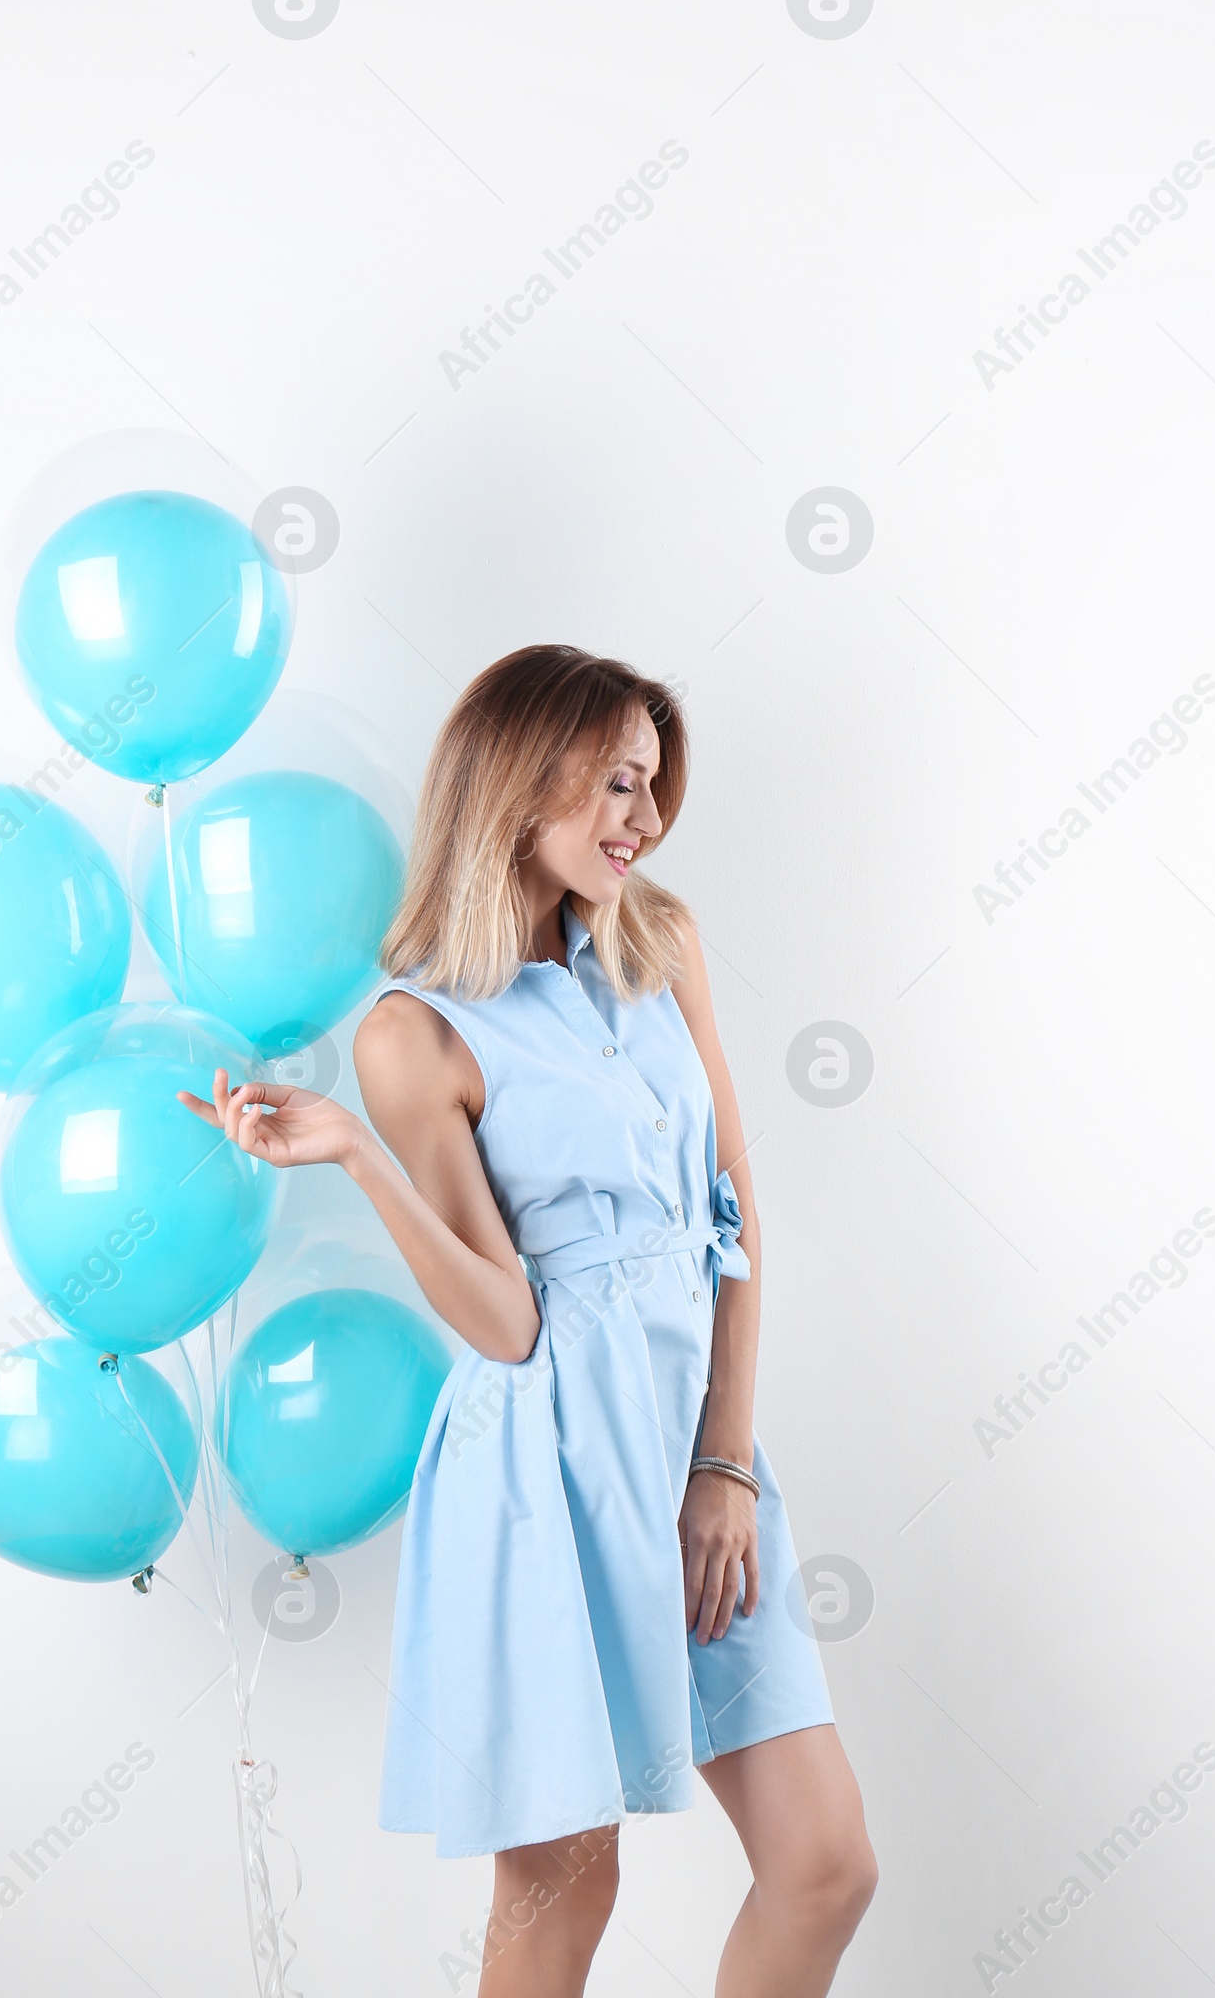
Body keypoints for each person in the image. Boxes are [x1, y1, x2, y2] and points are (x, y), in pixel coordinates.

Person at [185, 645, 876, 1996]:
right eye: (621, 783)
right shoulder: (414, 1036)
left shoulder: (659, 944)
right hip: (542, 1473)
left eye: (654, 788)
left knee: (825, 1863)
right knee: (566, 1889)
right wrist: (363, 1162)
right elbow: (504, 1325)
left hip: (693, 1450)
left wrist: (724, 1465)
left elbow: (733, 1222)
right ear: (524, 777)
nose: (646, 818)